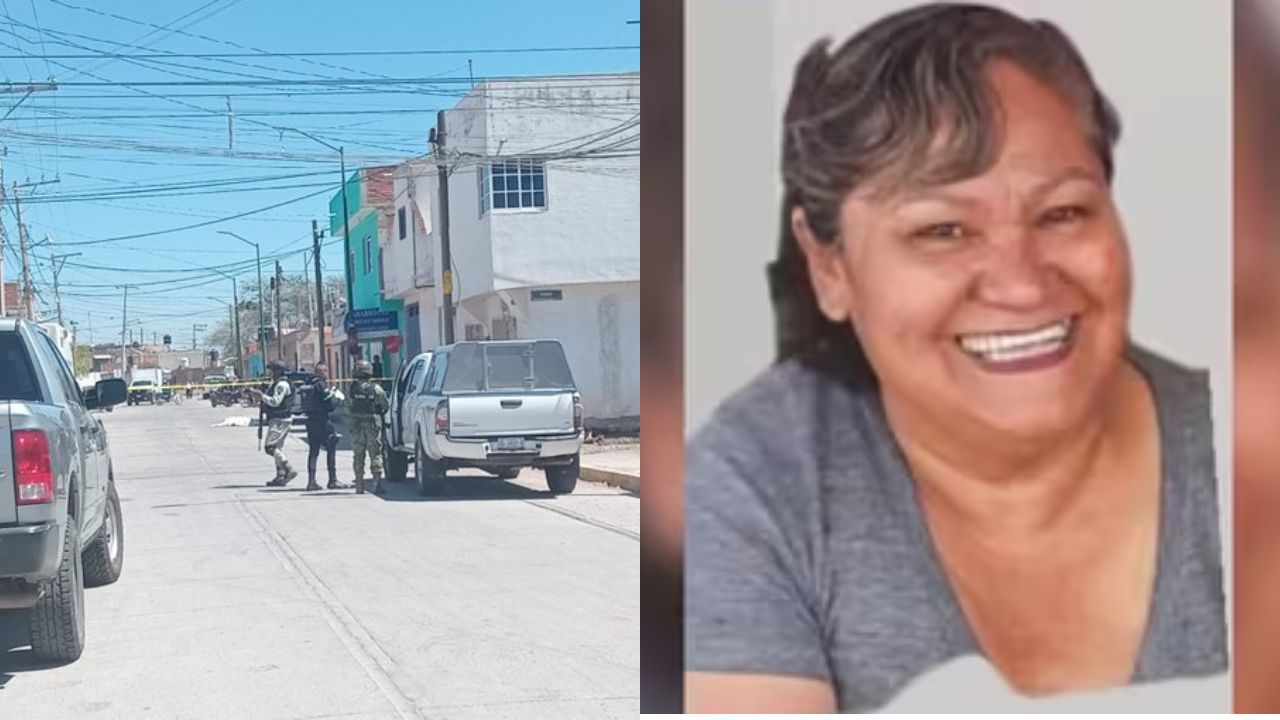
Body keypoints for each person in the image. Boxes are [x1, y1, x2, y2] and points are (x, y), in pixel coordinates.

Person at [685, 4, 1226, 713]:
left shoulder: (1241, 444)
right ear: (829, 266)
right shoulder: (757, 480)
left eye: (1063, 212)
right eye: (943, 230)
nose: (1022, 282)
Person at [301, 362, 352, 491]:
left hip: (310, 420)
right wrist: (336, 398)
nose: (326, 374)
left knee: (313, 451)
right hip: (322, 421)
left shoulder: (309, 383)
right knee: (331, 446)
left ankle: (311, 481)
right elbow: (329, 404)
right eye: (325, 371)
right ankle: (332, 480)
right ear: (321, 372)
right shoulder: (320, 385)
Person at [251, 360, 298, 487]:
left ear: (277, 371)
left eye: (271, 370)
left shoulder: (281, 385)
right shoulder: (277, 383)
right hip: (279, 418)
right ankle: (280, 475)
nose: (270, 373)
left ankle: (288, 468)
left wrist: (262, 396)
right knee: (277, 448)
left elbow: (275, 402)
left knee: (270, 448)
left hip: (280, 419)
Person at [348, 358, 389, 495]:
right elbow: (385, 405)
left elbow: (347, 408)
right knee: (375, 454)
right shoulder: (375, 388)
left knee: (358, 454)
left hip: (357, 425)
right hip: (372, 424)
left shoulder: (352, 389)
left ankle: (359, 485)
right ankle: (376, 484)